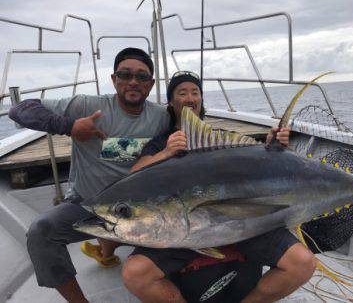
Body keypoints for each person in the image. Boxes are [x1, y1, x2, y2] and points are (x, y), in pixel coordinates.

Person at [122, 71, 316, 303]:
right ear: (171, 102)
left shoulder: (219, 139)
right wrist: (165, 153)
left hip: (237, 223)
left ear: (201, 99)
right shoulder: (161, 142)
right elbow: (130, 183)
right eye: (182, 93)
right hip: (181, 232)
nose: (190, 98)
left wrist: (270, 147)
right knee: (135, 274)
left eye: (195, 92)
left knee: (302, 263)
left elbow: (248, 165)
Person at [9, 47, 170, 303]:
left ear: (151, 85)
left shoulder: (161, 117)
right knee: (41, 233)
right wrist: (69, 126)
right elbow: (21, 109)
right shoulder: (87, 105)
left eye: (141, 77)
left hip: (142, 208)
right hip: (89, 206)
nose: (133, 81)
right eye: (125, 74)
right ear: (113, 79)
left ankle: (107, 249)